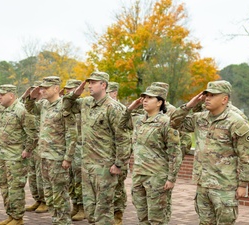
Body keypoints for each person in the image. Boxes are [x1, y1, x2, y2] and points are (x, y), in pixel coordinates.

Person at [170, 80, 249, 224]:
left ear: (224, 99)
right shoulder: (200, 119)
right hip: (203, 185)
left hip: (224, 187)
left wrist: (243, 184)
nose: (207, 98)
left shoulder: (236, 122)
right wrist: (189, 106)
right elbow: (174, 123)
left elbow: (247, 156)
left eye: (212, 95)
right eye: (206, 95)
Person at [63, 72, 131, 224]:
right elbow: (66, 106)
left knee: (104, 211)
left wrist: (119, 164)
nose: (89, 85)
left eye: (93, 82)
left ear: (103, 85)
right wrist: (76, 92)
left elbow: (123, 139)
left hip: (105, 168)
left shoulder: (114, 108)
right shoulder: (86, 103)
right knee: (90, 210)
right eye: (89, 82)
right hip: (87, 166)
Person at [119, 85, 182, 224]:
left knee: (157, 218)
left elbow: (175, 153)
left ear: (160, 102)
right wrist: (131, 107)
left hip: (157, 177)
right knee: (142, 217)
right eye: (144, 97)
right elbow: (121, 124)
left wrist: (171, 178)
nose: (145, 100)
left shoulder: (166, 122)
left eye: (149, 98)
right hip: (139, 175)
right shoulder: (139, 120)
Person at [25, 76, 77, 225]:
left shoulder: (64, 106)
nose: (42, 90)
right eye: (42, 88)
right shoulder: (44, 105)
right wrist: (32, 96)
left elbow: (72, 134)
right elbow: (29, 108)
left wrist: (68, 157)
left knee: (60, 196)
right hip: (44, 157)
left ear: (56, 88)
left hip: (58, 159)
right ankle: (56, 221)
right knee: (49, 196)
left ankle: (64, 222)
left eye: (46, 88)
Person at [0, 84, 37, 225]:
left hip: (16, 157)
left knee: (15, 188)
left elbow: (33, 134)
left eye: (2, 94)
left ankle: (18, 218)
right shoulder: (1, 108)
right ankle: (10, 215)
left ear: (11, 95)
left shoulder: (21, 111)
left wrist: (27, 150)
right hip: (3, 155)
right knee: (4, 187)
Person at [21, 81, 48, 213]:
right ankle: (37, 199)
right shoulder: (29, 105)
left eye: (39, 90)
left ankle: (44, 201)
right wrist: (28, 93)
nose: (37, 92)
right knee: (32, 175)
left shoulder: (44, 105)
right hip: (30, 145)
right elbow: (22, 103)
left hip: (41, 146)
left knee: (40, 175)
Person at [107, 81, 130, 225]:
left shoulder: (121, 109)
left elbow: (125, 137)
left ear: (114, 93)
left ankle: (118, 214)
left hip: (119, 156)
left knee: (118, 188)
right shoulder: (105, 108)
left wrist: (121, 160)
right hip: (106, 155)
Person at [62, 79, 85, 221]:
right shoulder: (67, 107)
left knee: (79, 179)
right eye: (66, 89)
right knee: (70, 179)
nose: (67, 92)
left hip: (81, 147)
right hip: (68, 146)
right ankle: (75, 205)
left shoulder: (82, 107)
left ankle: (82, 207)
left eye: (70, 89)